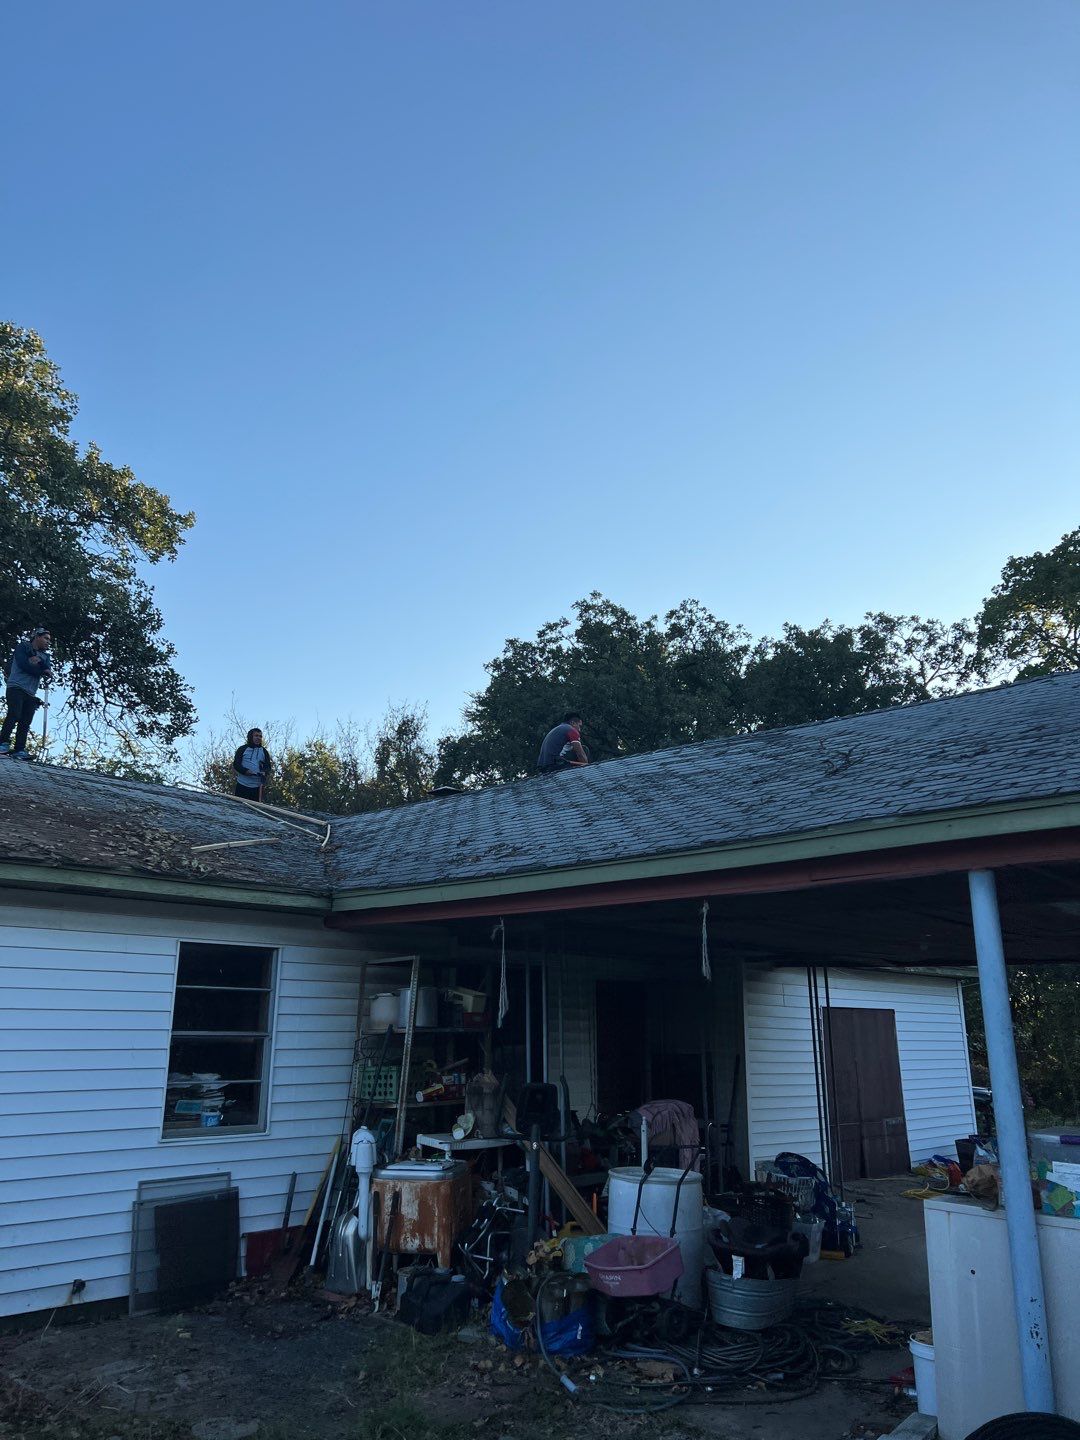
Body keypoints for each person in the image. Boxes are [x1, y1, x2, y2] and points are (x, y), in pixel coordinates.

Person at [0, 627, 54, 760]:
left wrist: (40, 668)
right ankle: (2, 743)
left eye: (49, 640)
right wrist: (39, 670)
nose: (48, 642)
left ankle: (19, 749)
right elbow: (23, 664)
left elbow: (47, 672)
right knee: (14, 714)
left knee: (25, 721)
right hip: (16, 686)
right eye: (46, 638)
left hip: (30, 692)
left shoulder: (45, 657)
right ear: (37, 637)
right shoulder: (23, 647)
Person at [232, 728, 272, 799]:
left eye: (260, 736)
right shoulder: (242, 749)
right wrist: (245, 771)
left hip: (257, 787)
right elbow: (236, 764)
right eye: (256, 736)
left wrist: (264, 772)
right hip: (242, 784)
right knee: (238, 807)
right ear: (251, 737)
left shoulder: (264, 751)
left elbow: (268, 767)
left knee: (253, 808)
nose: (258, 738)